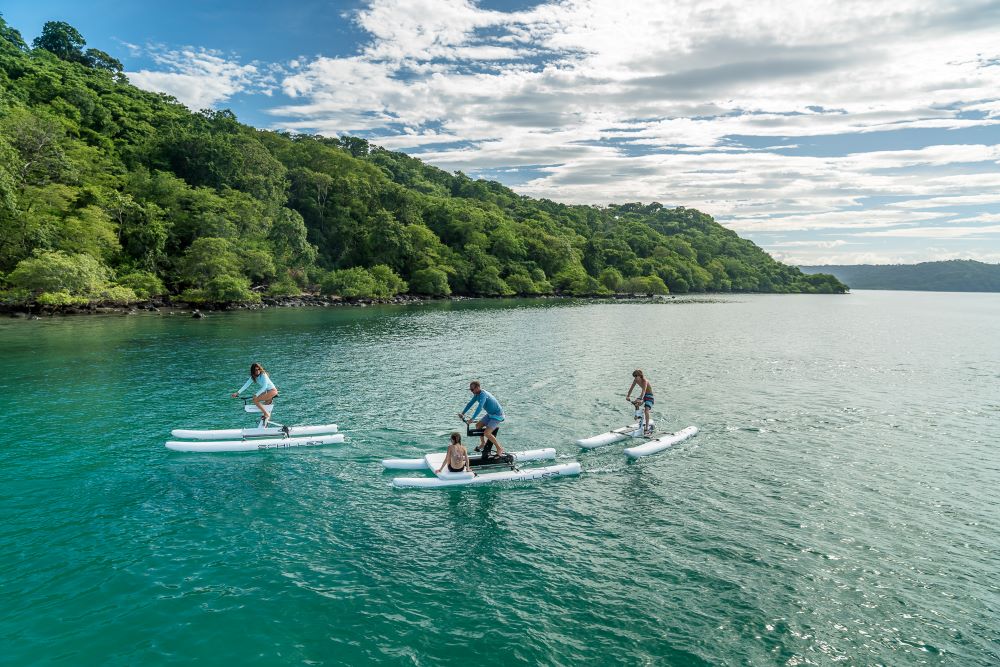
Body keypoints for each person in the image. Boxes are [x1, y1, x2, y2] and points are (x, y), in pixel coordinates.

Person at [457, 380, 506, 457]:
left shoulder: (483, 395)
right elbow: (470, 404)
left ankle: (499, 448)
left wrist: (472, 418)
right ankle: (483, 443)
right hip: (490, 414)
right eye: (470, 390)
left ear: (478, 388)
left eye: (472, 389)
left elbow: (479, 408)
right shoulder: (476, 395)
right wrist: (463, 413)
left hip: (497, 415)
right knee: (478, 426)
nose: (471, 391)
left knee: (487, 433)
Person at [625, 369, 655, 436]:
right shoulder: (635, 380)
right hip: (644, 397)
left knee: (646, 410)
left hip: (649, 397)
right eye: (634, 376)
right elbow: (631, 388)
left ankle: (646, 429)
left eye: (636, 376)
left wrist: (640, 398)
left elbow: (643, 391)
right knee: (636, 404)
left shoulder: (645, 381)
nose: (635, 378)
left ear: (640, 375)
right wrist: (628, 396)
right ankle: (638, 416)